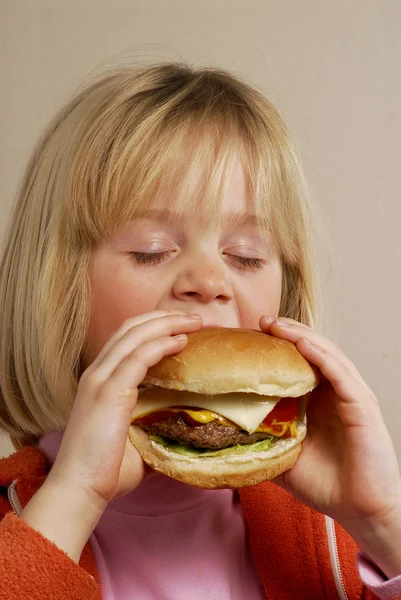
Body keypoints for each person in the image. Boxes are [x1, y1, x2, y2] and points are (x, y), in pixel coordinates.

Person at [0, 63, 400, 600]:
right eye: (152, 251)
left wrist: (382, 521)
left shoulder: (338, 535)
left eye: (246, 255)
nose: (209, 281)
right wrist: (71, 500)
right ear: (59, 289)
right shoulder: (21, 520)